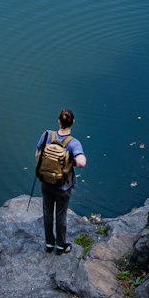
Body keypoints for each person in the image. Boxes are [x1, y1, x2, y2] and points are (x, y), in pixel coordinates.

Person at [35, 108, 86, 253]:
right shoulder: (73, 143)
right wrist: (70, 162)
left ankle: (49, 244)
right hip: (63, 186)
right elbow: (82, 163)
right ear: (73, 122)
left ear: (59, 122)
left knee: (47, 212)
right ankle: (60, 245)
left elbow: (37, 154)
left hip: (46, 183)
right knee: (61, 215)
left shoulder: (46, 135)